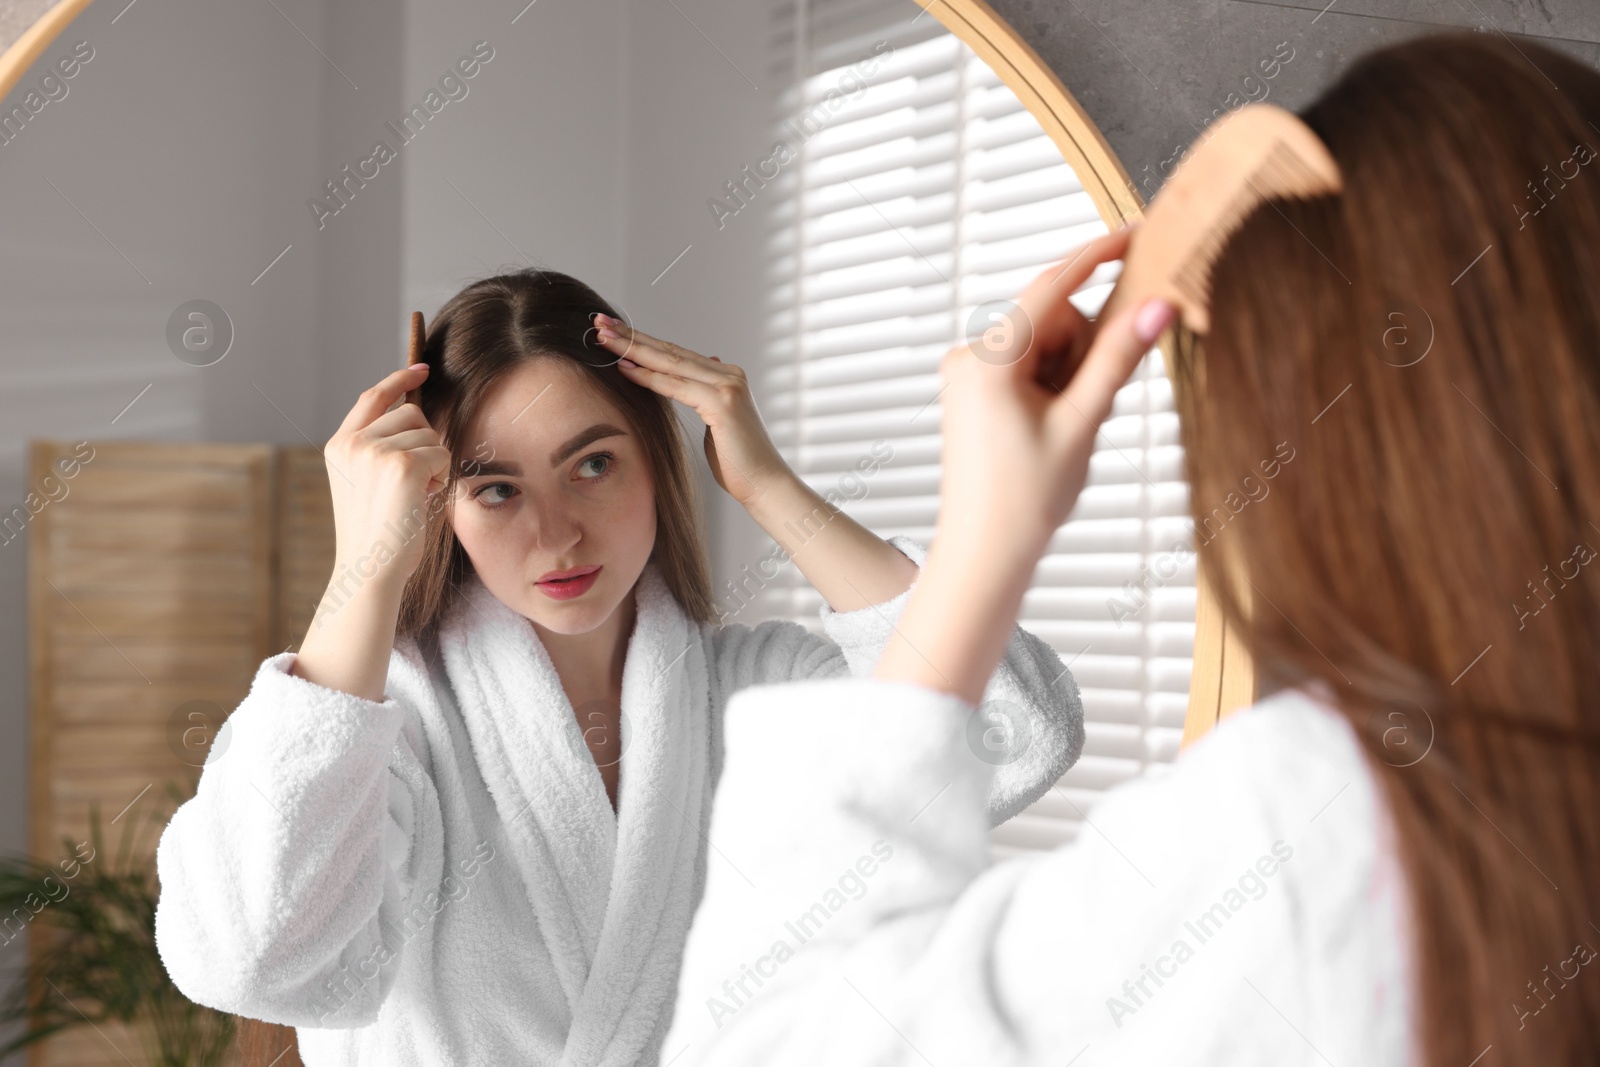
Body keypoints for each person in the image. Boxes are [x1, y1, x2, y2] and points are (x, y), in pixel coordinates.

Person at [660, 30, 1600, 1067]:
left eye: (597, 463)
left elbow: (767, 1040)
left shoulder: (1323, 819)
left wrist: (978, 532)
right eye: (495, 485)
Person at [151, 270, 1084, 1065]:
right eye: (496, 487)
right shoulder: (385, 725)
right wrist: (367, 561)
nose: (556, 533)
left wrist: (771, 487)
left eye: (592, 464)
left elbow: (1009, 733)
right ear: (442, 502)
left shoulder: (751, 695)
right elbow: (256, 953)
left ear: (656, 460)